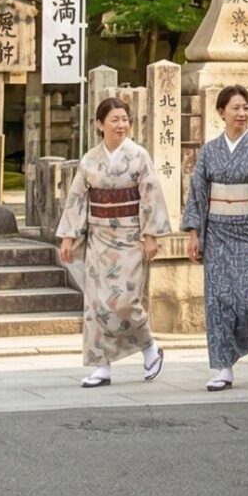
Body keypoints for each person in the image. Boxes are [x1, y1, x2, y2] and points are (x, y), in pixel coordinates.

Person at [56, 96, 170, 387]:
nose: (121, 125)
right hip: (98, 237)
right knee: (95, 304)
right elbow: (78, 198)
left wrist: (150, 235)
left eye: (125, 120)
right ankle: (101, 365)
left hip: (130, 236)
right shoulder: (89, 160)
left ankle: (149, 347)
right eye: (115, 120)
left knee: (124, 301)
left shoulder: (139, 156)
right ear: (99, 124)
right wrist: (69, 237)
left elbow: (150, 195)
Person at [184, 84, 248, 390]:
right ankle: (223, 367)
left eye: (246, 108)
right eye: (235, 108)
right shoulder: (209, 151)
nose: (242, 113)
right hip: (217, 231)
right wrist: (195, 233)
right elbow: (197, 193)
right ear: (221, 113)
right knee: (218, 301)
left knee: (247, 298)